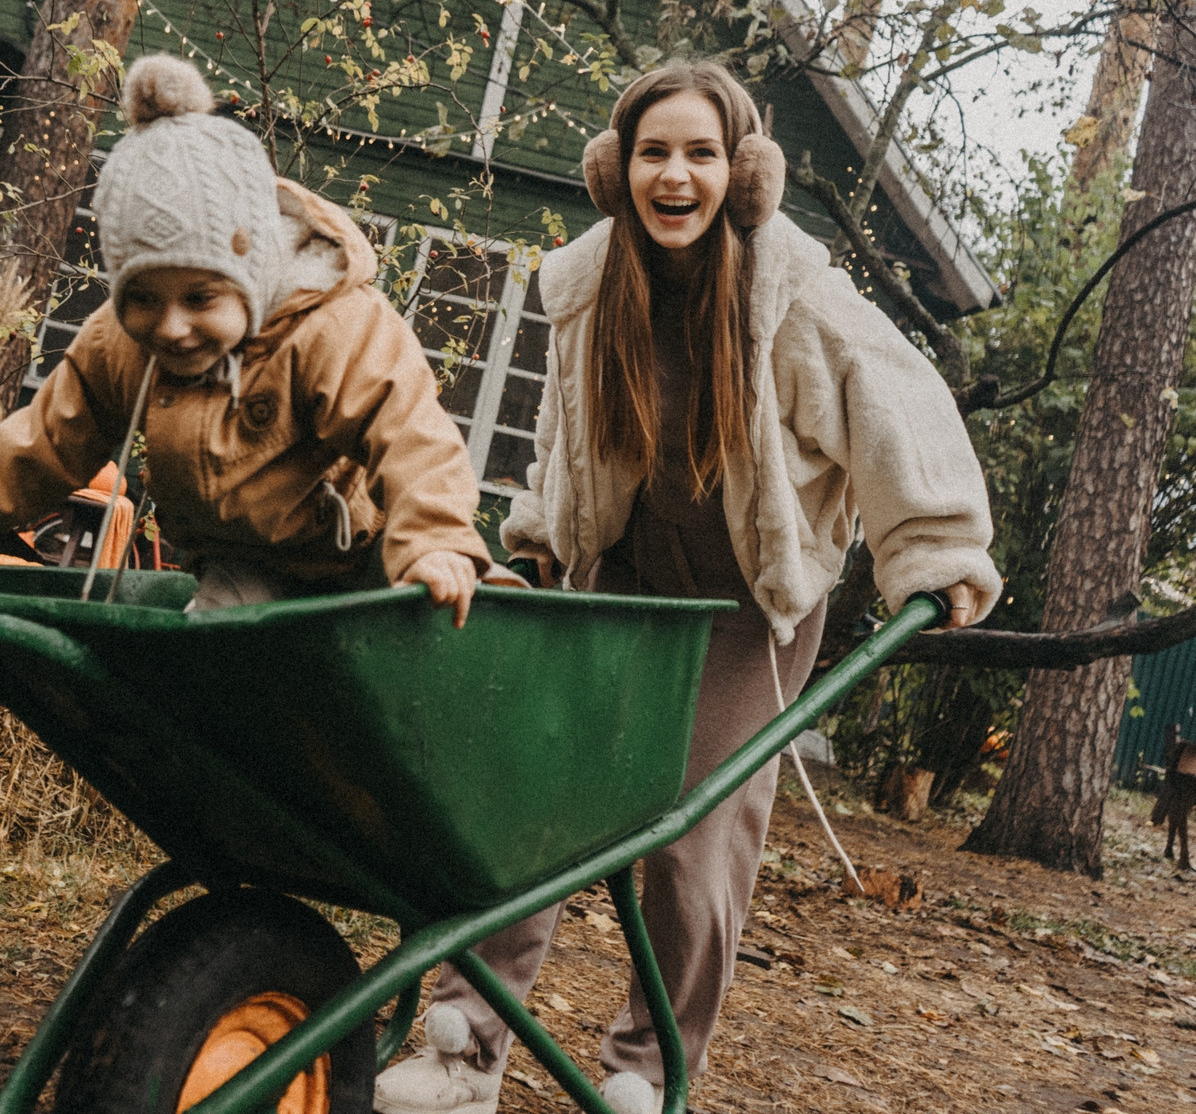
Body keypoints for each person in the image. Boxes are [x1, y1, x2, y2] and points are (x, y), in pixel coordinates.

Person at [372, 61, 1001, 1114]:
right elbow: (567, 438)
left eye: (701, 153)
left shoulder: (793, 294)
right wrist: (539, 539)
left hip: (749, 604)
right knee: (535, 788)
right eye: (654, 152)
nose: (676, 175)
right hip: (620, 575)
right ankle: (464, 1047)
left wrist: (935, 550)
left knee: (691, 834)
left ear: (743, 172)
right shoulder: (588, 284)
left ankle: (650, 1067)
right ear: (615, 169)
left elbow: (897, 405)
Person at [0, 54, 491, 621]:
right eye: (143, 299)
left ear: (251, 272)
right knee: (214, 655)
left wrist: (436, 542)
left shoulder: (329, 326)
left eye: (201, 298)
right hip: (249, 566)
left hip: (371, 555)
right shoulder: (118, 349)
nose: (171, 327)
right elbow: (31, 452)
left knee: (460, 604)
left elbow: (411, 434)